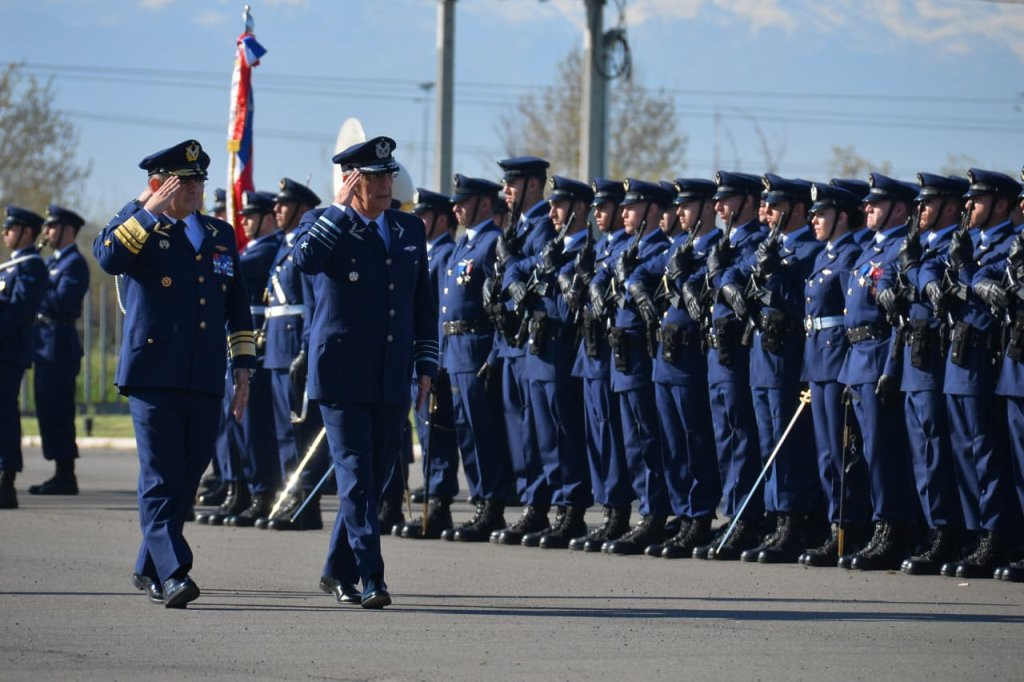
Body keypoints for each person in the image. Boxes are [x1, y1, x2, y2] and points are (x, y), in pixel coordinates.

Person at [94, 139, 255, 608]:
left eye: (198, 180)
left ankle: (148, 566)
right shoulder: (139, 223)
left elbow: (236, 306)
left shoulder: (219, 233)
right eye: (183, 182)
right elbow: (108, 258)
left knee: (188, 474)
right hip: (152, 373)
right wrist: (148, 211)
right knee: (162, 474)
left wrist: (243, 368)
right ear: (157, 183)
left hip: (203, 372)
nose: (194, 188)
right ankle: (174, 572)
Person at [293, 136, 437, 608]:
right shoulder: (324, 222)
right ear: (351, 181)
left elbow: (422, 302)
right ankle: (372, 576)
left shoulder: (408, 228)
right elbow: (305, 261)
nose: (385, 185)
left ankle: (336, 570)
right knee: (355, 477)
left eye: (388, 175)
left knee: (372, 480)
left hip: (390, 373)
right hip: (341, 374)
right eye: (374, 178)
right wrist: (337, 211)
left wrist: (425, 365)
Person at [923, 169, 1022, 579]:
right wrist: (934, 278)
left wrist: (965, 270)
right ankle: (976, 532)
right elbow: (927, 267)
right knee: (965, 452)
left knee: (987, 451)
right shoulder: (970, 241)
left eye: (977, 200)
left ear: (1000, 204)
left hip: (985, 356)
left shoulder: (1007, 241)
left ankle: (996, 534)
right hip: (959, 356)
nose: (969, 206)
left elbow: (986, 286)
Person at [720, 175, 822, 564]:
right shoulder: (770, 246)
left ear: (797, 209)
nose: (768, 212)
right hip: (762, 357)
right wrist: (731, 285)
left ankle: (793, 522)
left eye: (777, 206)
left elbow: (804, 304)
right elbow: (733, 272)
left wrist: (775, 276)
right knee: (768, 443)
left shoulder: (811, 250)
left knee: (787, 443)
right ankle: (776, 517)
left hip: (788, 358)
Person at [878, 173, 970, 575]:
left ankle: (945, 530)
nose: (921, 211)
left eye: (928, 204)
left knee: (935, 450)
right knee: (920, 452)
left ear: (949, 208)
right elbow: (896, 291)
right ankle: (931, 528)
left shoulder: (951, 245)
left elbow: (930, 276)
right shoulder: (919, 245)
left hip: (935, 358)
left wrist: (911, 269)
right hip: (912, 357)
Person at [628, 178, 722, 558]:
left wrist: (681, 275)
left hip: (690, 360)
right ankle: (683, 514)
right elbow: (640, 272)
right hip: (664, 361)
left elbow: (702, 289)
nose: (678, 212)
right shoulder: (679, 248)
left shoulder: (716, 249)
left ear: (707, 208)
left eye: (687, 206)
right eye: (677, 206)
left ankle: (698, 516)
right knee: (672, 446)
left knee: (694, 441)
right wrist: (638, 288)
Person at [503, 176, 594, 549]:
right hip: (537, 351)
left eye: (559, 206)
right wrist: (517, 283)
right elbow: (514, 272)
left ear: (579, 209)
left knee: (562, 432)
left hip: (560, 351)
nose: (552, 213)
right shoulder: (553, 249)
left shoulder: (584, 251)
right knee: (540, 436)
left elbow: (568, 310)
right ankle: (550, 505)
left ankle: (571, 509)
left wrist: (552, 274)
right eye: (552, 205)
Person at [836, 172, 919, 572]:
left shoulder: (901, 249)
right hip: (858, 359)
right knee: (868, 451)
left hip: (879, 357)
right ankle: (879, 523)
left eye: (877, 203)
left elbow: (898, 321)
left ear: (899, 209)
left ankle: (891, 527)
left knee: (884, 452)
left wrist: (890, 368)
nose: (866, 208)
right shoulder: (871, 248)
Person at [590, 179, 672, 555]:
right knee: (630, 442)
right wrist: (599, 283)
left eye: (632, 207)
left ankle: (653, 514)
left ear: (652, 212)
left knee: (646, 439)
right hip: (620, 355)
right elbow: (602, 274)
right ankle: (638, 512)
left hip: (642, 355)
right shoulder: (627, 248)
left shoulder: (660, 249)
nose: (624, 213)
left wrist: (623, 276)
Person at [797, 183, 872, 568]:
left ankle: (848, 528)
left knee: (842, 452)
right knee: (826, 452)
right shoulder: (825, 254)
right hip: (818, 359)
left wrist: (846, 369)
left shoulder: (851, 255)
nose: (814, 220)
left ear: (842, 216)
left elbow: (852, 317)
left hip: (838, 359)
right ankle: (834, 525)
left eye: (821, 214)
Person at [438, 174, 513, 542]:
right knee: (466, 431)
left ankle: (493, 506)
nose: (456, 208)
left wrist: (496, 353)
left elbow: (501, 304)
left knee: (484, 431)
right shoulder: (462, 245)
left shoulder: (493, 243)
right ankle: (481, 499)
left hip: (478, 348)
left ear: (484, 203)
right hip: (455, 350)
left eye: (463, 202)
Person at [697, 171, 767, 560]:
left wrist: (716, 272)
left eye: (728, 200)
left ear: (749, 203)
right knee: (725, 437)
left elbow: (736, 280)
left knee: (740, 436)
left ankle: (746, 516)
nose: (719, 206)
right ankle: (734, 511)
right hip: (716, 353)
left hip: (737, 353)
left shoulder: (756, 241)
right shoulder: (725, 243)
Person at [563, 178, 633, 552]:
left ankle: (617, 510)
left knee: (610, 434)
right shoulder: (601, 248)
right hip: (589, 353)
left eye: (605, 208)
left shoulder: (624, 248)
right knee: (596, 436)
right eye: (597, 209)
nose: (598, 215)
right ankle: (607, 506)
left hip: (607, 353)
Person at [263, 177, 326, 531]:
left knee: (300, 431)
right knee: (283, 432)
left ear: (302, 210)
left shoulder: (305, 247)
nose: (277, 209)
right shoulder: (282, 247)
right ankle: (292, 495)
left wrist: (305, 349)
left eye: (284, 205)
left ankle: (305, 501)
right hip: (276, 350)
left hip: (293, 350)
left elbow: (312, 307)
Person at [397, 188, 460, 539]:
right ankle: (432, 497)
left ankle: (438, 504)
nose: (418, 221)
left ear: (441, 218)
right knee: (424, 426)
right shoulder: (425, 253)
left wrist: (433, 357)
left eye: (425, 215)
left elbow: (438, 312)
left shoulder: (446, 253)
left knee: (436, 431)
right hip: (416, 353)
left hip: (433, 355)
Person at [222, 190, 284, 527]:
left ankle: (262, 492)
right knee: (236, 423)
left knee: (255, 424)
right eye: (243, 216)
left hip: (257, 341)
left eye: (251, 216)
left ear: (269, 218)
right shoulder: (251, 249)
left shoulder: (270, 248)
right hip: (239, 340)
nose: (243, 221)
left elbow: (234, 270)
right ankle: (242, 489)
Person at [28, 205, 90, 496]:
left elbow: (63, 302)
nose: (47, 232)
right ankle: (59, 472)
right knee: (47, 409)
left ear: (68, 230)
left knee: (60, 411)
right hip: (45, 344)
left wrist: (36, 282)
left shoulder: (74, 263)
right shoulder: (53, 262)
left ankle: (66, 475)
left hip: (60, 345)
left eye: (52, 227)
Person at [0, 206, 48, 509]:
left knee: (4, 414)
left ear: (26, 232)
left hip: (9, 352)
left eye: (10, 229)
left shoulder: (31, 267)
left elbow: (19, 310)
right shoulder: (10, 266)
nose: (5, 234)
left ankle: (6, 479)